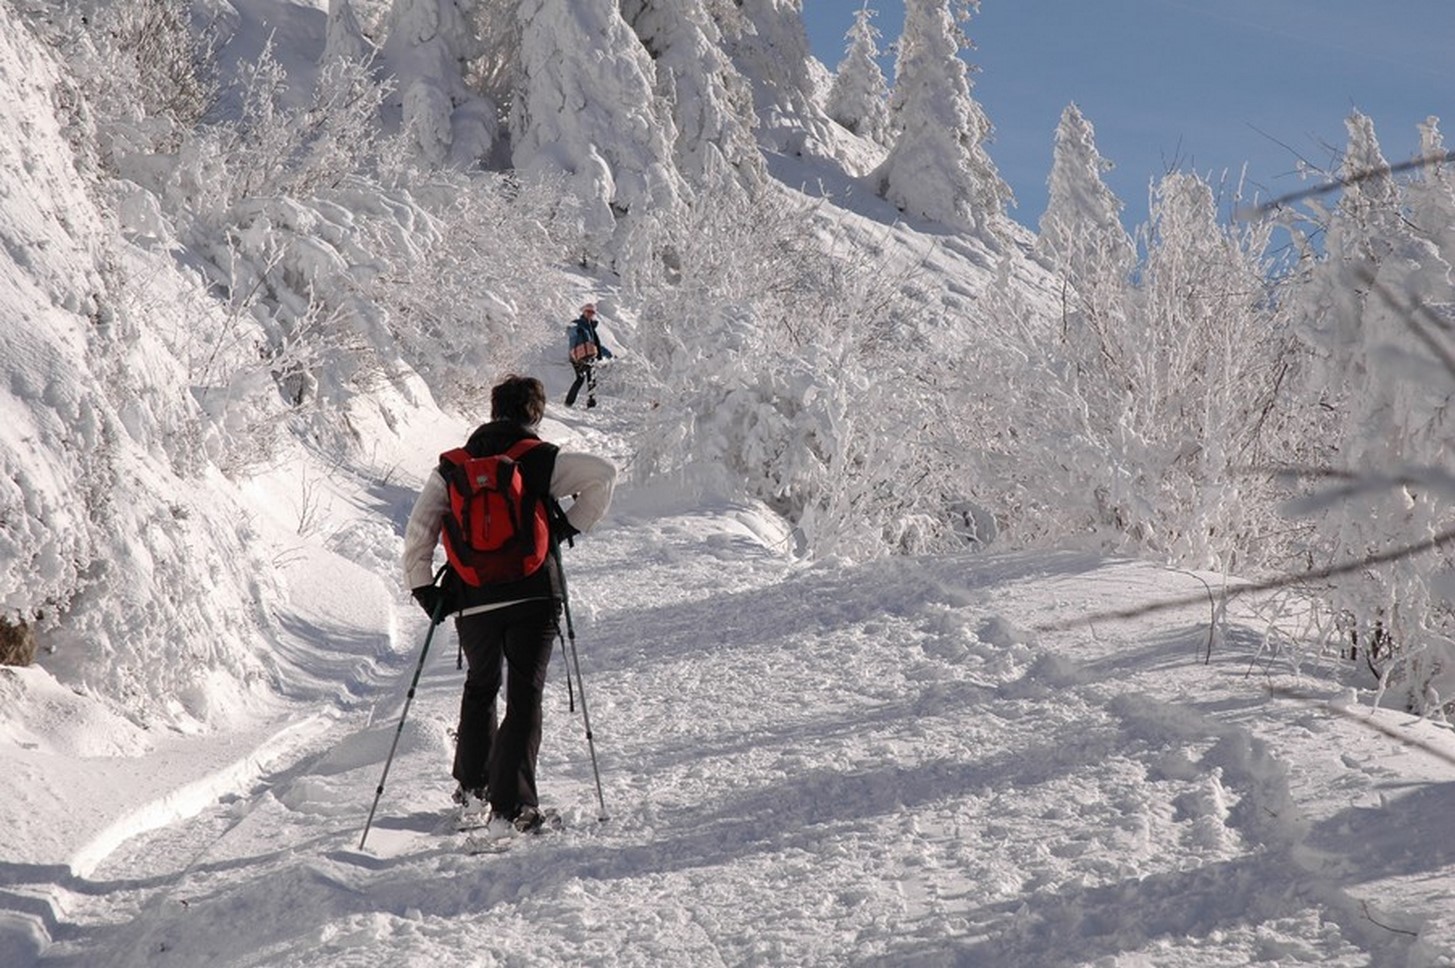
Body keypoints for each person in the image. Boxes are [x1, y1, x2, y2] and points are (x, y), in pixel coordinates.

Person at [401, 374, 616, 832]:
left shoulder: (452, 466)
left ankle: (472, 790)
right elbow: (603, 475)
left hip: (472, 598)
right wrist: (566, 529)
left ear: (493, 409)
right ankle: (512, 807)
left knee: (480, 687)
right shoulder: (541, 460)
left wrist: (424, 587)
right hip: (533, 595)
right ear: (534, 413)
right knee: (524, 696)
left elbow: (420, 529)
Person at [565, 303, 613, 408]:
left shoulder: (591, 328)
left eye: (592, 312)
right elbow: (570, 330)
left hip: (590, 356)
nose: (590, 314)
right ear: (584, 312)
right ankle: (568, 402)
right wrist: (577, 330)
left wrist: (608, 354)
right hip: (577, 357)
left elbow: (595, 345)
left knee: (592, 380)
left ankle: (591, 404)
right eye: (588, 311)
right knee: (580, 379)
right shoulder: (578, 324)